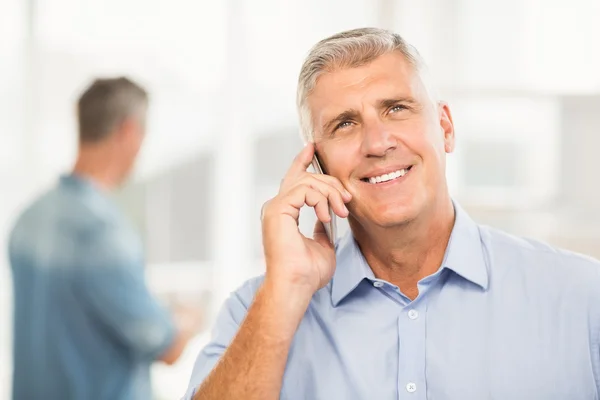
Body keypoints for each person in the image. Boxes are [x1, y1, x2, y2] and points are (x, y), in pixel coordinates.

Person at [183, 28, 600, 400]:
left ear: (446, 128)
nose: (378, 143)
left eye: (396, 108)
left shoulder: (584, 296)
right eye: (344, 124)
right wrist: (286, 288)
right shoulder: (255, 312)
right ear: (317, 166)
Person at [8, 77, 202, 400]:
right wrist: (189, 318)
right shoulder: (104, 234)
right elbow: (165, 346)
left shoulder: (27, 220)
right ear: (127, 132)